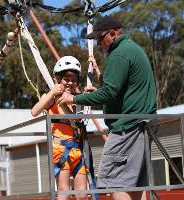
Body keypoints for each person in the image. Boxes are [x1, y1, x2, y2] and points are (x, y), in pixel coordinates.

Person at [57, 16, 157, 200]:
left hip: (127, 128)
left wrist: (74, 98)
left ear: (112, 34)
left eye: (100, 39)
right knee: (136, 183)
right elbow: (119, 92)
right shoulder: (134, 49)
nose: (98, 44)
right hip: (143, 124)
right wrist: (97, 94)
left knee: (114, 180)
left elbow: (109, 93)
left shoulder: (119, 54)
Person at [31, 56, 87, 200]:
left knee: (82, 194)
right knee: (64, 191)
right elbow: (35, 111)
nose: (70, 83)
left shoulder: (78, 98)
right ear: (57, 78)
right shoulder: (52, 97)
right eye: (66, 79)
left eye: (73, 80)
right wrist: (52, 93)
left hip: (77, 149)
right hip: (59, 148)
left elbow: (82, 119)